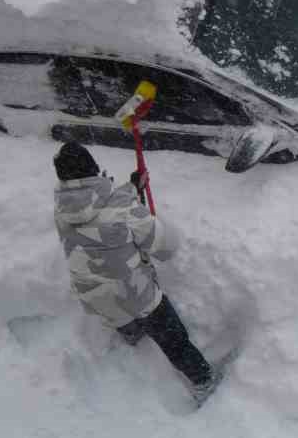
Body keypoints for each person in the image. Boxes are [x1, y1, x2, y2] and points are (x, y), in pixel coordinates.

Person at [52, 141, 224, 405]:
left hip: (94, 297)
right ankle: (203, 380)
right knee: (173, 340)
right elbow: (167, 248)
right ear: (95, 170)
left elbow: (98, 207)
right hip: (136, 296)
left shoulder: (62, 212)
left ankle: (132, 334)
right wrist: (146, 216)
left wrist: (132, 189)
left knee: (119, 313)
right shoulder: (125, 210)